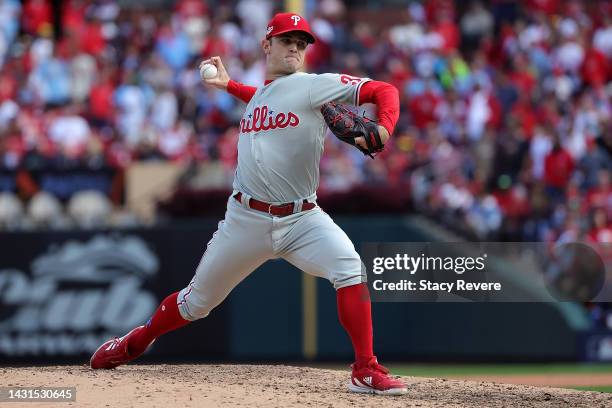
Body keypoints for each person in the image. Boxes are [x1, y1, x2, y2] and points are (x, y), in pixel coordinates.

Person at [90, 12, 406, 395]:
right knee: (195, 304)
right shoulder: (262, 96)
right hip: (244, 221)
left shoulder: (312, 86)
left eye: (302, 42)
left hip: (303, 218)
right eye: (287, 39)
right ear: (266, 44)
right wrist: (228, 86)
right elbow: (260, 97)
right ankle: (134, 343)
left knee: (350, 268)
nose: (295, 47)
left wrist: (385, 126)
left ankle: (365, 368)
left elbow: (385, 90)